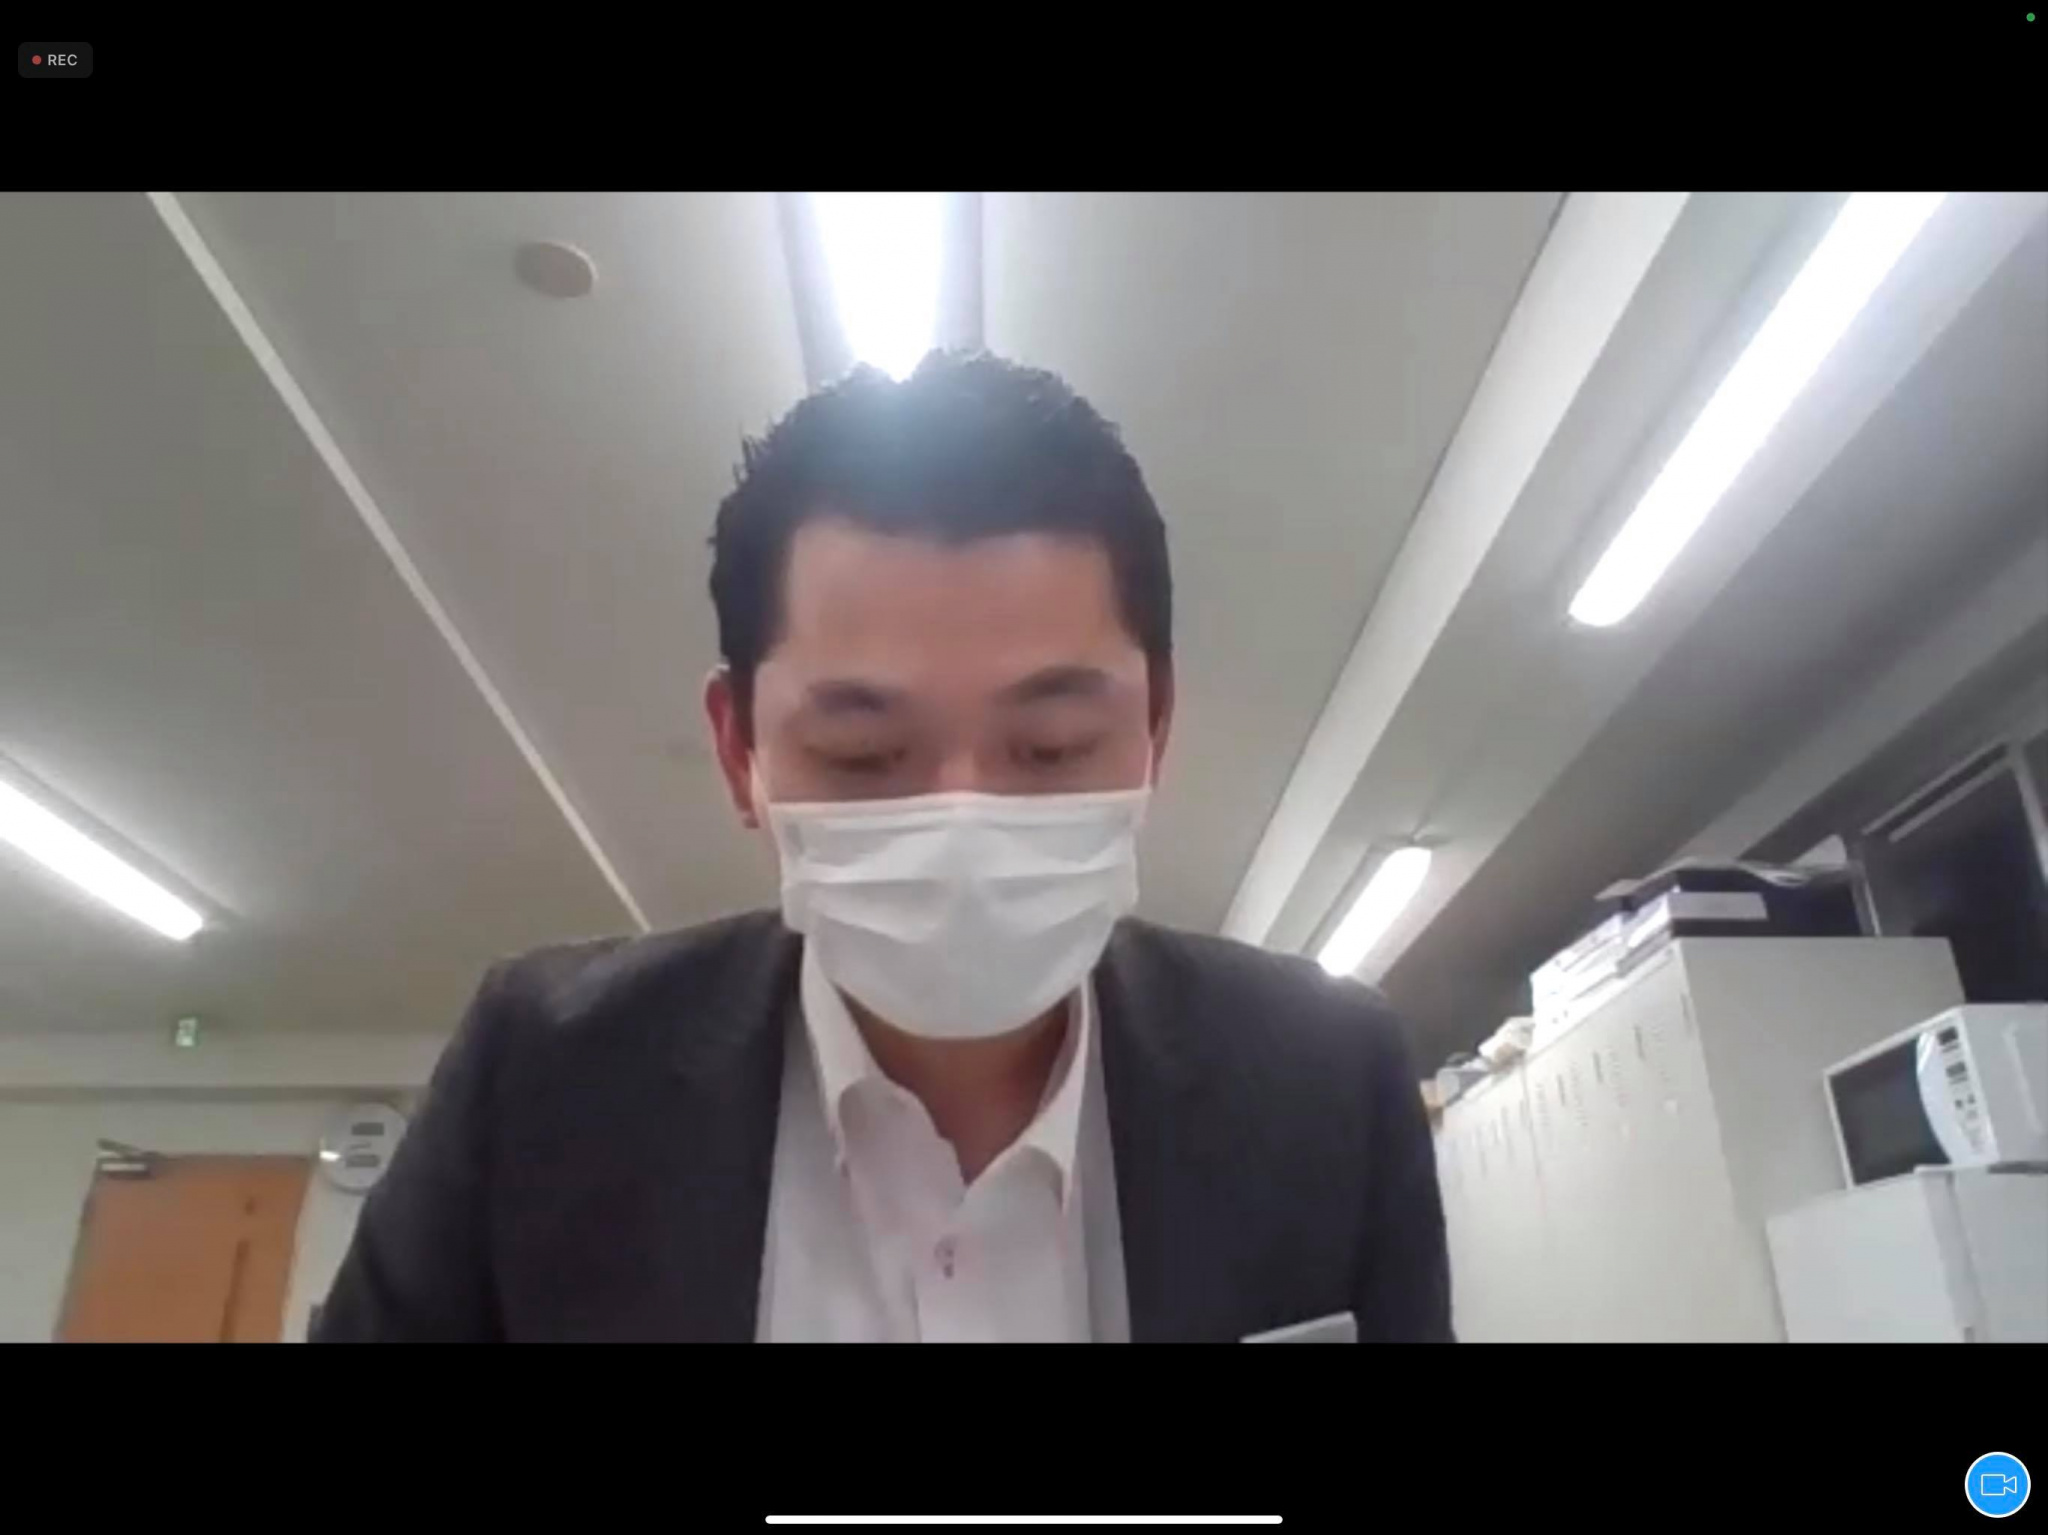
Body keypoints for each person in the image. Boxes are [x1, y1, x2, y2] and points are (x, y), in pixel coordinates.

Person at [313, 352, 1452, 1343]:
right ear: (738, 750)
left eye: (1051, 746)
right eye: (863, 755)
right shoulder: (543, 1084)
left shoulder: (1323, 1086)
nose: (962, 818)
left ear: (1154, 727)